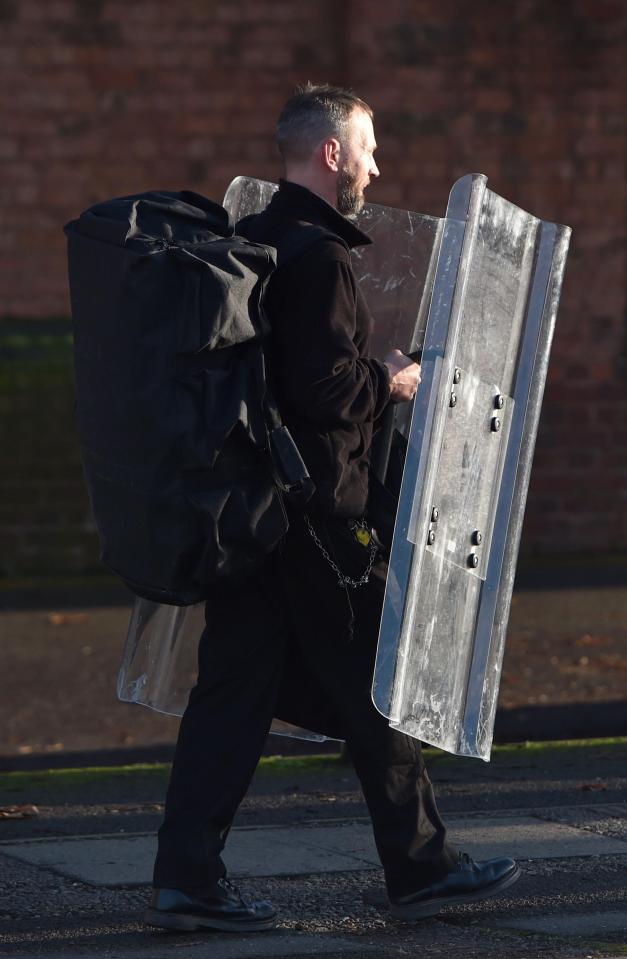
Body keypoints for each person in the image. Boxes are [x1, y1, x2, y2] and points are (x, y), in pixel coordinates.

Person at [145, 83, 520, 932]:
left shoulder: (253, 239)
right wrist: (390, 378)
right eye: (369, 148)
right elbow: (320, 387)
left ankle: (186, 875)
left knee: (230, 699)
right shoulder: (315, 254)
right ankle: (421, 869)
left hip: (255, 513)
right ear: (331, 154)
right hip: (320, 518)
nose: (375, 164)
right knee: (376, 691)